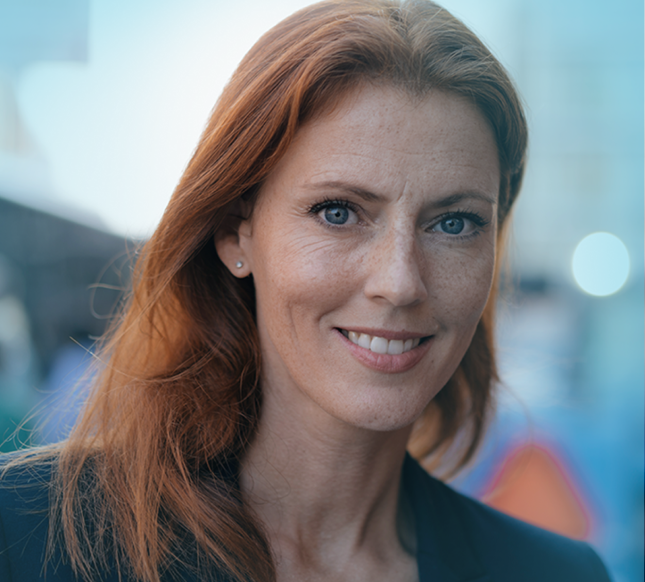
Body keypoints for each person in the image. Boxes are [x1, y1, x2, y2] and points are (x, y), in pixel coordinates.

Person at [0, 1, 612, 581]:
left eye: (454, 223)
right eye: (339, 212)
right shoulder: (23, 534)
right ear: (236, 233)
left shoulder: (555, 573)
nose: (400, 282)